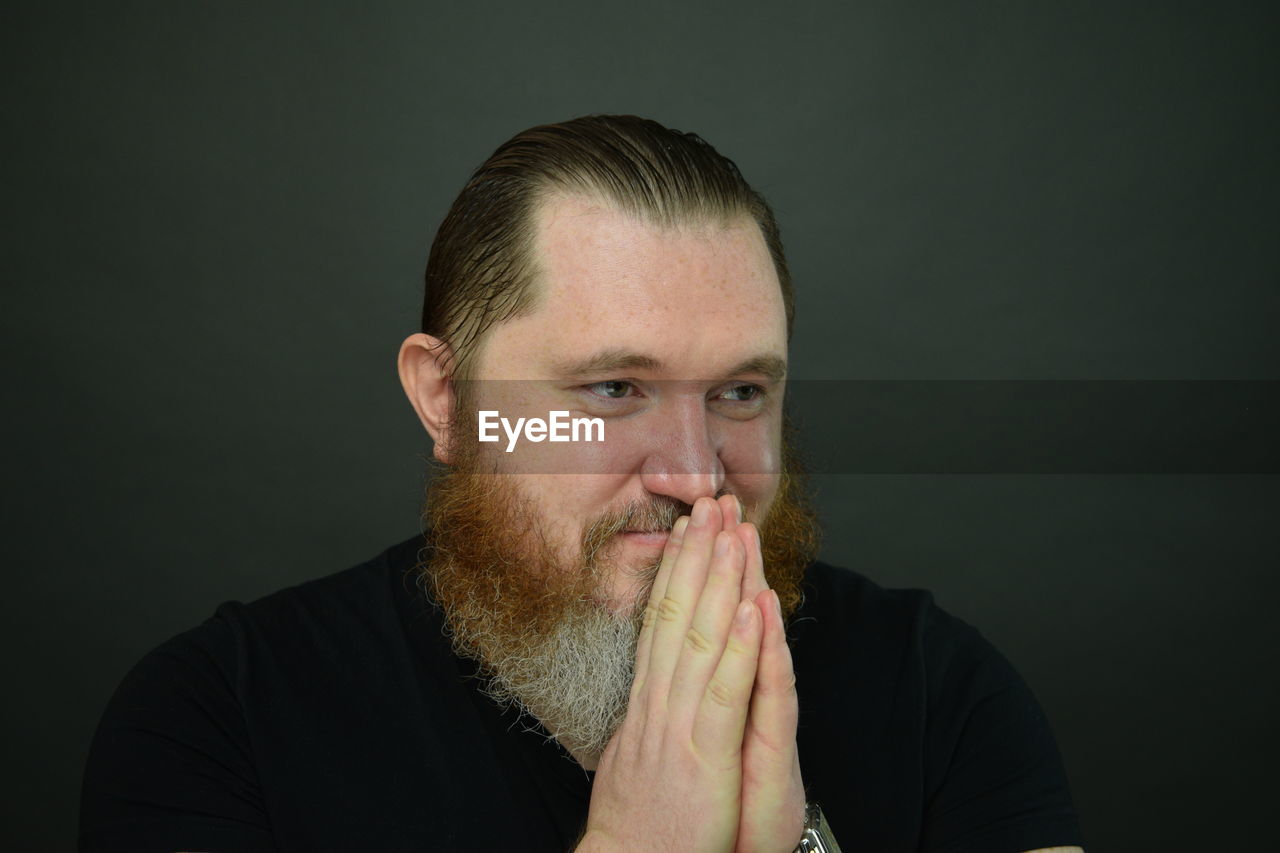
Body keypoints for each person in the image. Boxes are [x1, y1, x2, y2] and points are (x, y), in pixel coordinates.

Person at [79, 115, 1085, 852]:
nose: (696, 474)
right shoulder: (216, 721)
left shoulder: (939, 692)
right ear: (446, 398)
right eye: (613, 388)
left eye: (739, 390)